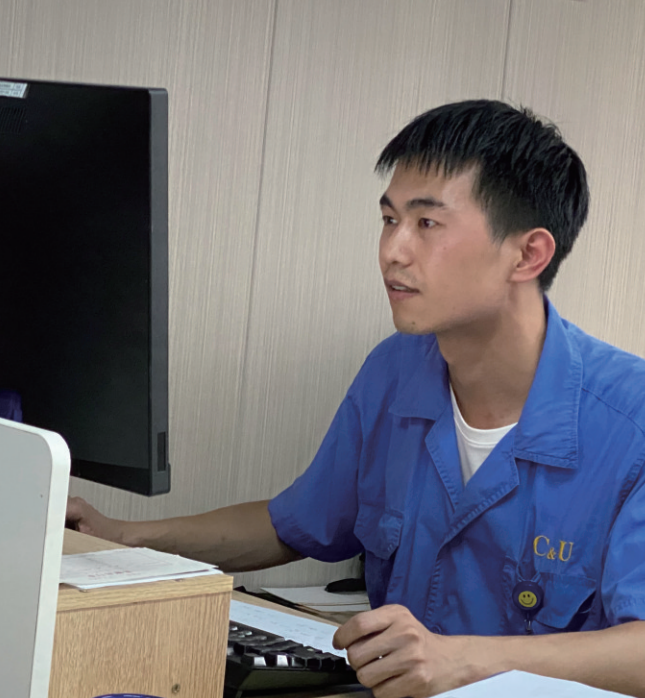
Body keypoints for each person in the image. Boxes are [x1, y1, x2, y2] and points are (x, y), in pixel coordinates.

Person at [67, 100, 645, 698]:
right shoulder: (395, 371)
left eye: (427, 224)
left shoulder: (632, 421)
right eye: (389, 219)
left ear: (528, 255)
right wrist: (128, 538)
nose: (393, 250)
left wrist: (462, 661)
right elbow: (295, 524)